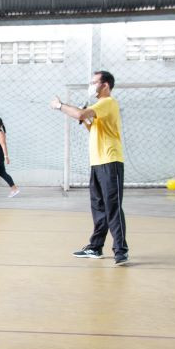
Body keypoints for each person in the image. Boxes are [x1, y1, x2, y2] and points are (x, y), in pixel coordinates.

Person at [51, 70, 128, 265]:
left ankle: (121, 251)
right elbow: (92, 125)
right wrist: (85, 120)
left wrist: (60, 106)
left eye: (94, 82)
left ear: (105, 85)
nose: (91, 85)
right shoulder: (99, 106)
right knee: (99, 207)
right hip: (97, 163)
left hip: (111, 162)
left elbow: (80, 113)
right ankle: (95, 247)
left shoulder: (107, 102)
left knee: (113, 207)